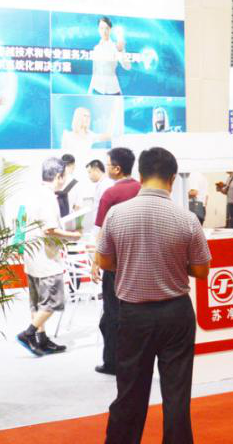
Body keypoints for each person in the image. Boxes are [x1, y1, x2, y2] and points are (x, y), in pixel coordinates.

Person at [97, 147, 211, 444]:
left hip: (133, 314)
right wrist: (174, 264)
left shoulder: (116, 214)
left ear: (141, 175)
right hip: (176, 313)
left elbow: (103, 261)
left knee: (130, 392)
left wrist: (132, 262)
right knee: (176, 393)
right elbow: (201, 270)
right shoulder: (188, 219)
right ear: (172, 179)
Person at [17, 157, 81, 357]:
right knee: (53, 301)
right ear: (59, 176)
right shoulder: (48, 197)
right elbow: (50, 229)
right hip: (46, 259)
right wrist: (73, 235)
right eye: (64, 176)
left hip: (32, 256)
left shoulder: (34, 193)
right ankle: (29, 333)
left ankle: (42, 339)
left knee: (37, 303)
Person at [91, 147, 141, 375]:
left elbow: (101, 233)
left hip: (115, 265)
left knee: (111, 314)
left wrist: (96, 262)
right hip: (140, 263)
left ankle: (112, 362)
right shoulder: (142, 190)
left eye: (108, 164)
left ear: (117, 168)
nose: (106, 168)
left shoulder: (110, 195)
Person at [89, 16, 132, 95]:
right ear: (98, 30)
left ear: (110, 29)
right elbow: (95, 72)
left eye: (107, 28)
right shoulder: (96, 48)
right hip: (97, 90)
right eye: (101, 28)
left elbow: (127, 66)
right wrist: (89, 92)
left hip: (112, 91)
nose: (104, 31)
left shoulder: (115, 47)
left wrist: (121, 51)